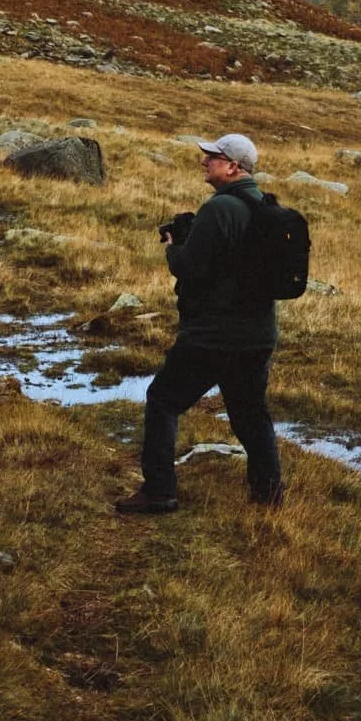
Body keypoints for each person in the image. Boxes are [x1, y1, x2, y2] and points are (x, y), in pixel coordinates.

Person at [115, 132, 285, 514]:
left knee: (162, 401)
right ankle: (268, 495)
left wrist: (175, 246)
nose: (204, 161)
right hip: (257, 335)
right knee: (250, 414)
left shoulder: (219, 209)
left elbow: (190, 269)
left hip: (212, 335)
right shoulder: (265, 206)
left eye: (212, 156)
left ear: (233, 167)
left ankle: (159, 492)